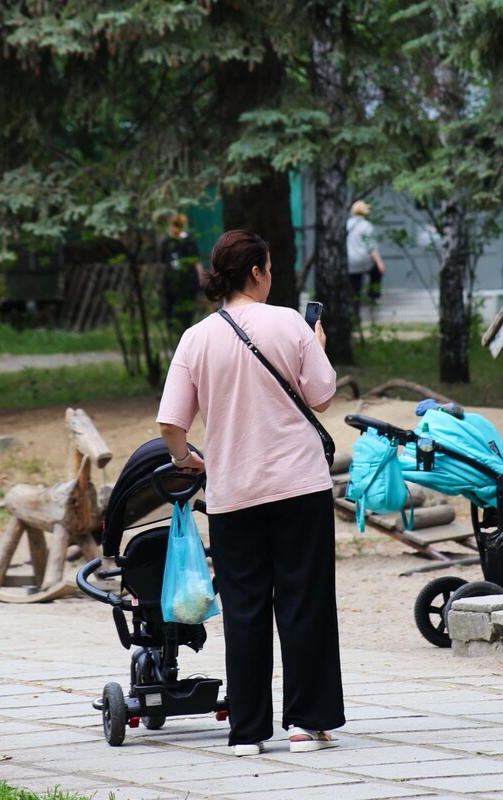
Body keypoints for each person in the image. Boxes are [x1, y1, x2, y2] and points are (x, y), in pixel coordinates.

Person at [156, 229, 345, 757]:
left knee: (243, 608)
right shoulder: (290, 322)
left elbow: (171, 421)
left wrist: (183, 458)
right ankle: (306, 725)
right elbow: (322, 396)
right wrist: (319, 347)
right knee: (303, 600)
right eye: (269, 267)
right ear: (258, 272)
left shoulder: (197, 336)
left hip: (232, 489)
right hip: (298, 486)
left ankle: (247, 731)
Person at [160, 214, 205, 334]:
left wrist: (200, 277)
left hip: (188, 280)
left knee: (187, 304)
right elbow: (164, 263)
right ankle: (173, 328)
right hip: (172, 280)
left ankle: (185, 327)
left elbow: (196, 261)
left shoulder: (189, 241)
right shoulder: (168, 242)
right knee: (171, 304)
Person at [346, 200, 386, 312]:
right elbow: (371, 247)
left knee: (354, 286)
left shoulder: (347, 224)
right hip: (363, 261)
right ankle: (373, 296)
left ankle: (354, 311)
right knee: (377, 270)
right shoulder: (367, 226)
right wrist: (379, 262)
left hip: (349, 261)